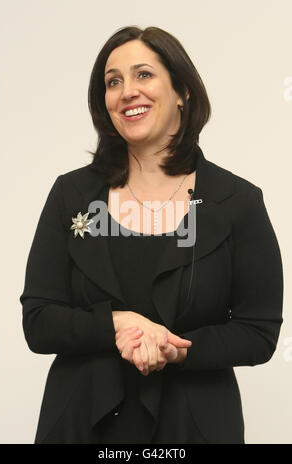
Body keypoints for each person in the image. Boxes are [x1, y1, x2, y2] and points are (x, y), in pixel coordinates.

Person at [19, 26, 284, 444]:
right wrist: (117, 323)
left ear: (182, 91)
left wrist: (175, 349)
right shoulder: (70, 194)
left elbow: (258, 332)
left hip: (194, 426)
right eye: (113, 81)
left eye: (144, 75)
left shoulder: (237, 202)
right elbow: (38, 321)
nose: (127, 92)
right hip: (79, 423)